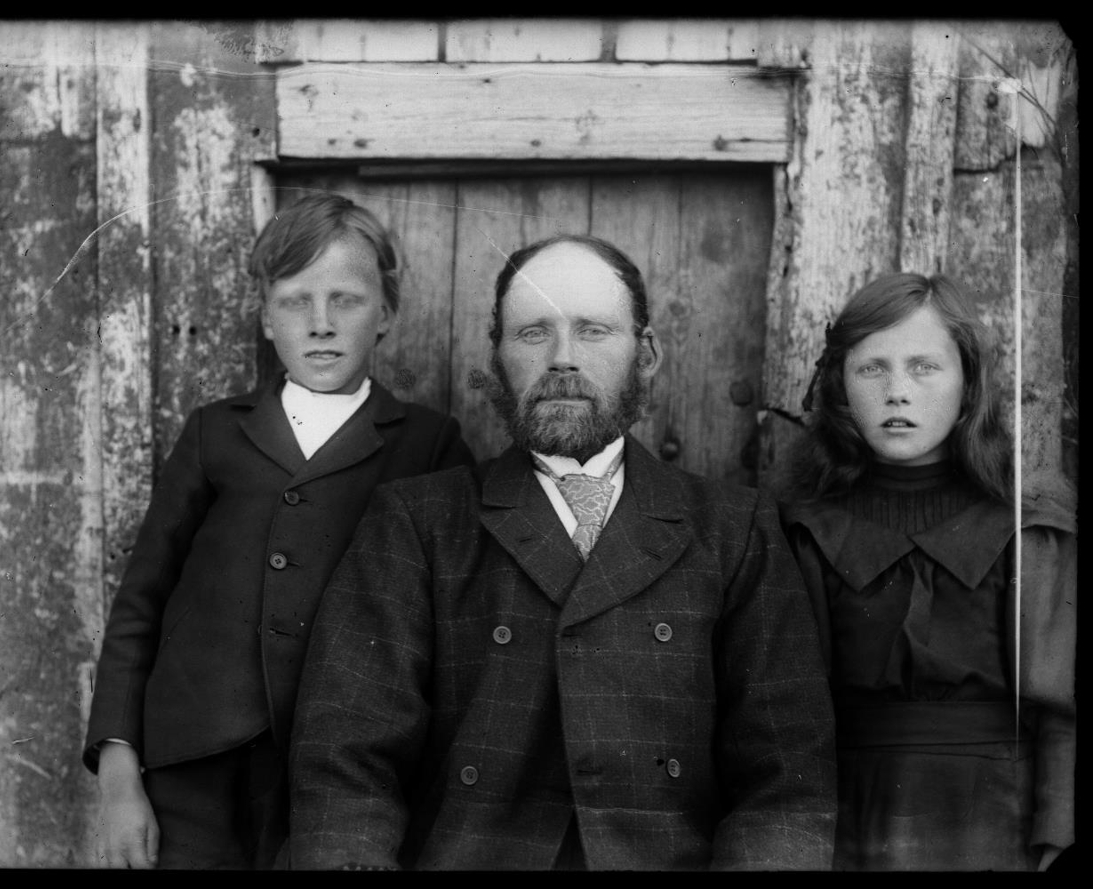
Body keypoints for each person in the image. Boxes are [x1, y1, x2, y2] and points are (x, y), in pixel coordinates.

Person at [286, 234, 837, 871]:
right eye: (533, 333)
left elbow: (786, 778)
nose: (563, 359)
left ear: (646, 354)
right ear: (496, 358)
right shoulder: (419, 522)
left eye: (594, 331)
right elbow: (345, 759)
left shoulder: (734, 529)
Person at [82, 192, 474, 869]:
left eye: (345, 300)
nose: (320, 324)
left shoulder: (428, 444)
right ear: (265, 317)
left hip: (339, 778)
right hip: (191, 768)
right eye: (295, 302)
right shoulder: (214, 433)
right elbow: (141, 603)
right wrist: (119, 776)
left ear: (386, 312)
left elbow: (453, 626)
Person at [781, 272, 1076, 871]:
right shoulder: (803, 530)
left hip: (998, 824)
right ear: (839, 386)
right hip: (847, 823)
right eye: (872, 368)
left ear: (969, 385)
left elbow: (1062, 714)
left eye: (924, 367)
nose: (897, 392)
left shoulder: (1028, 527)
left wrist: (1057, 834)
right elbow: (785, 720)